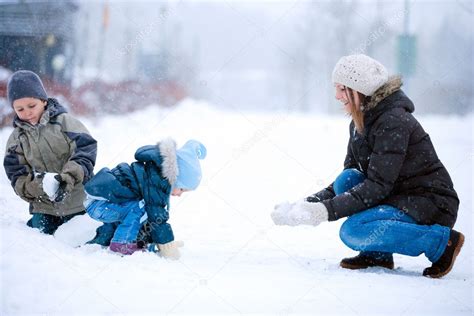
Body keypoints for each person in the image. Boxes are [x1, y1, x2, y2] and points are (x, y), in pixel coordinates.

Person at [271, 54, 463, 278]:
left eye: (342, 88)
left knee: (354, 231)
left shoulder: (393, 121)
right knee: (348, 179)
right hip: (397, 196)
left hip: (429, 201)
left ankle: (441, 241)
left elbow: (378, 186)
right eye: (336, 88)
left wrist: (324, 212)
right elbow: (349, 181)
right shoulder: (359, 122)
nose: (336, 96)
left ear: (359, 89)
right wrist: (305, 205)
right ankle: (376, 255)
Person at [4, 70, 97, 234]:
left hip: (78, 200)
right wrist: (39, 187)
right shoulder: (16, 139)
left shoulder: (64, 123)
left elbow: (85, 149)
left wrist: (67, 178)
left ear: (44, 101)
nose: (27, 112)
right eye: (20, 109)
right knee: (37, 238)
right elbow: (17, 175)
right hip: (44, 205)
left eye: (32, 106)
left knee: (84, 236)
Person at [84, 138, 206, 259]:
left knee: (135, 210)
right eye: (182, 189)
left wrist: (151, 242)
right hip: (99, 203)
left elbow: (148, 220)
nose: (180, 194)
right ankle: (121, 245)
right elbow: (156, 216)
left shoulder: (154, 172)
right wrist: (166, 245)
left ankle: (105, 239)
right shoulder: (157, 180)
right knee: (140, 208)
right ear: (175, 179)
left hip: (100, 202)